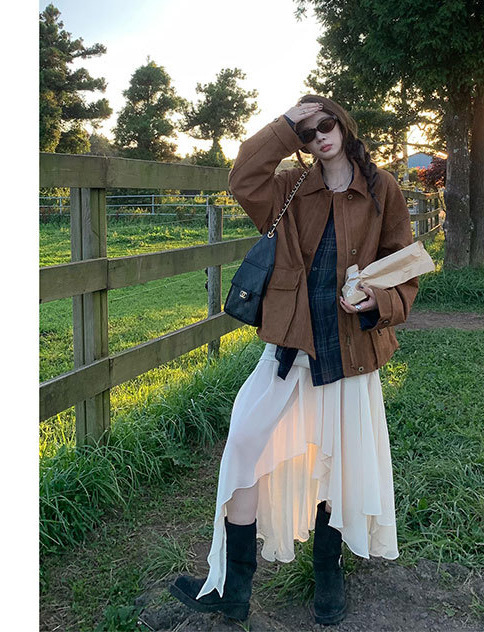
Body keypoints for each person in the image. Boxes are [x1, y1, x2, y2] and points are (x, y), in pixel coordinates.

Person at [169, 94, 419, 625]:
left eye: (325, 124)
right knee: (243, 447)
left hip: (350, 353)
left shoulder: (382, 189)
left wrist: (379, 301)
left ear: (343, 125)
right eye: (307, 132)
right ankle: (233, 589)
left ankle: (328, 582)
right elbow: (243, 179)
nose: (319, 136)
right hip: (289, 348)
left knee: (336, 463)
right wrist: (285, 125)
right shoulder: (289, 187)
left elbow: (403, 269)